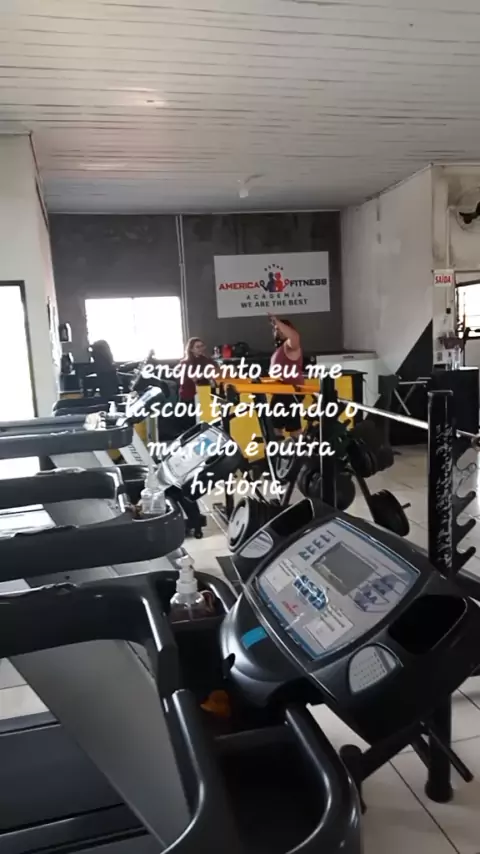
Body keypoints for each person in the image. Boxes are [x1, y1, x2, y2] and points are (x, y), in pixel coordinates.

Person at [268, 315, 304, 439]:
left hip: (289, 392)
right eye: (275, 330)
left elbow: (295, 337)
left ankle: (294, 449)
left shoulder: (290, 346)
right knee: (279, 429)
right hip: (282, 393)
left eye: (280, 329)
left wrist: (277, 322)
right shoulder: (280, 350)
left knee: (277, 429)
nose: (277, 331)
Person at [179, 337, 218, 402]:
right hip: (189, 394)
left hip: (204, 391)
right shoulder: (185, 363)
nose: (201, 348)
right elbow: (195, 378)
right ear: (191, 349)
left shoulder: (206, 359)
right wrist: (206, 372)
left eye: (202, 346)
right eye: (197, 347)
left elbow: (215, 370)